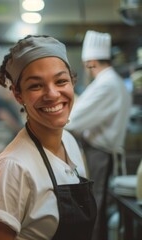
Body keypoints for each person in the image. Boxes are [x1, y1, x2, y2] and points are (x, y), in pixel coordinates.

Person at [0, 35, 97, 240]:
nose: (52, 94)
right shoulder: (11, 169)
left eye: (61, 81)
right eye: (36, 86)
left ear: (72, 83)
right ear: (18, 95)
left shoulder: (70, 142)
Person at [65, 30, 132, 240]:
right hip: (103, 154)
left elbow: (72, 119)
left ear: (91, 61)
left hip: (99, 155)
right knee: (99, 207)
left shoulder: (106, 84)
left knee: (94, 208)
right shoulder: (116, 82)